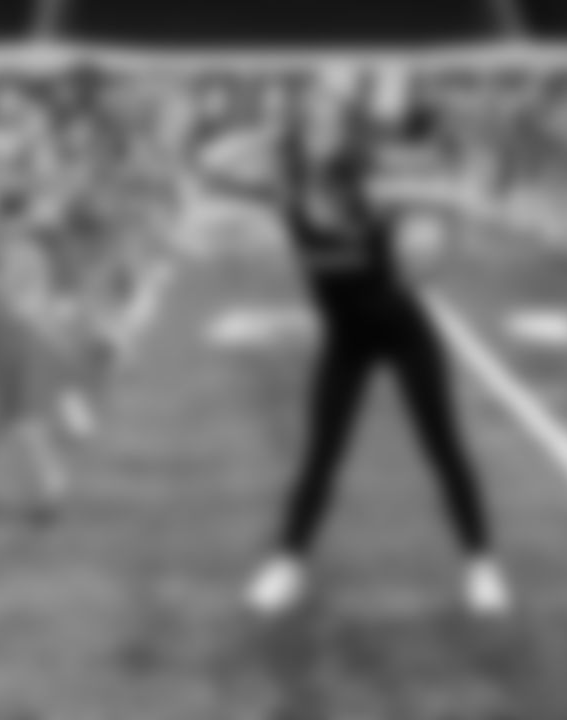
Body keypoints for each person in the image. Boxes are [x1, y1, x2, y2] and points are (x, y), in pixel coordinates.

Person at [191, 80, 512, 618]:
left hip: (405, 335)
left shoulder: (372, 188)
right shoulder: (285, 190)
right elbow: (210, 164)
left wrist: (471, 195)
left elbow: (446, 196)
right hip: (346, 344)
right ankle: (286, 564)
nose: (319, 131)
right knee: (320, 456)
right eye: (311, 121)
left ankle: (481, 564)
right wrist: (272, 131)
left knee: (444, 448)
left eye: (330, 123)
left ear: (346, 136)